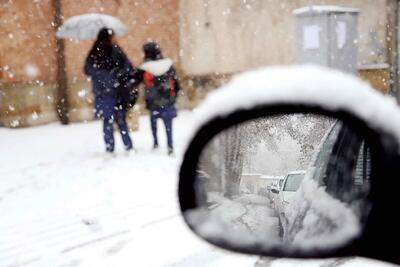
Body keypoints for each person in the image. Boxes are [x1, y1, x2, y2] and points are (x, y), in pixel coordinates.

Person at [84, 28, 136, 154]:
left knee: (107, 121)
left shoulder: (94, 52)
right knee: (120, 120)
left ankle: (109, 147)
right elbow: (128, 67)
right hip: (116, 91)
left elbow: (87, 69)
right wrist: (114, 75)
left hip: (101, 92)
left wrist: (100, 76)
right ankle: (128, 146)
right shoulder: (115, 50)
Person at [138, 42, 181, 155]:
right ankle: (170, 146)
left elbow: (136, 80)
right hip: (167, 100)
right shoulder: (167, 64)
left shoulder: (146, 67)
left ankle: (156, 142)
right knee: (168, 125)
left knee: (154, 123)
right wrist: (174, 96)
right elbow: (176, 83)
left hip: (153, 102)